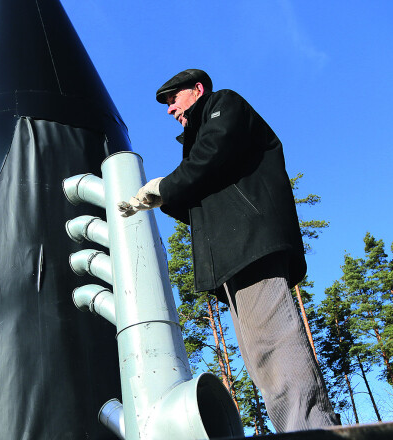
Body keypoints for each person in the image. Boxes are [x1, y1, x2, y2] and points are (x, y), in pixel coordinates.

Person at [118, 69, 339, 432]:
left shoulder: (224, 104)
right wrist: (163, 197)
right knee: (259, 359)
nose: (169, 109)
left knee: (275, 343)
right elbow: (202, 202)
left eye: (173, 98)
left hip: (252, 243)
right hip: (234, 255)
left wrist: (165, 185)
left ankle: (313, 428)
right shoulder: (201, 143)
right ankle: (296, 428)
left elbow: (212, 153)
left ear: (198, 90)